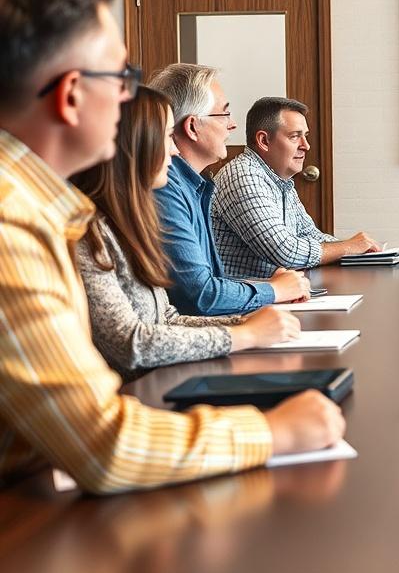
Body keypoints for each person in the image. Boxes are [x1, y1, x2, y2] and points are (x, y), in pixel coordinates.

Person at [0, 0, 343, 493]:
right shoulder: (11, 224)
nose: (130, 99)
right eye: (120, 78)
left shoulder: (46, 208)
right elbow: (104, 445)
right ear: (70, 96)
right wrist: (271, 431)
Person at [71, 86, 304, 379]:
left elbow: (165, 318)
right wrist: (245, 335)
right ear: (135, 146)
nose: (175, 149)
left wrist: (243, 322)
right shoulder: (89, 235)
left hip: (159, 381)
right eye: (168, 136)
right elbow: (131, 343)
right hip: (136, 396)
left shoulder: (128, 225)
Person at [149, 63, 310, 315]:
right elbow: (201, 297)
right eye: (224, 114)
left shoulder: (196, 185)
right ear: (192, 127)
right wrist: (276, 290)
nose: (232, 124)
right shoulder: (165, 186)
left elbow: (212, 281)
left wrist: (271, 285)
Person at [212, 96, 381, 279]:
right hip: (246, 302)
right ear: (264, 141)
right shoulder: (243, 175)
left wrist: (360, 252)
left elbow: (308, 233)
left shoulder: (279, 179)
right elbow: (284, 252)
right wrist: (348, 247)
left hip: (275, 293)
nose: (306, 146)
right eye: (295, 137)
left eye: (305, 136)